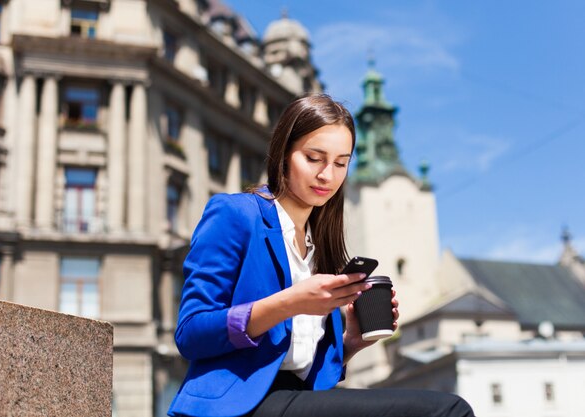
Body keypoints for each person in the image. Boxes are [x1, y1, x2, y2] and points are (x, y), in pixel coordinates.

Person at [168, 93, 475, 417]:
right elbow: (191, 332)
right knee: (448, 411)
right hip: (236, 407)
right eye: (314, 158)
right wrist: (290, 302)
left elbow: (300, 367)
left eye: (341, 163)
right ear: (284, 154)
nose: (328, 175)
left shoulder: (320, 244)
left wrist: (351, 342)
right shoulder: (235, 214)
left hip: (296, 399)